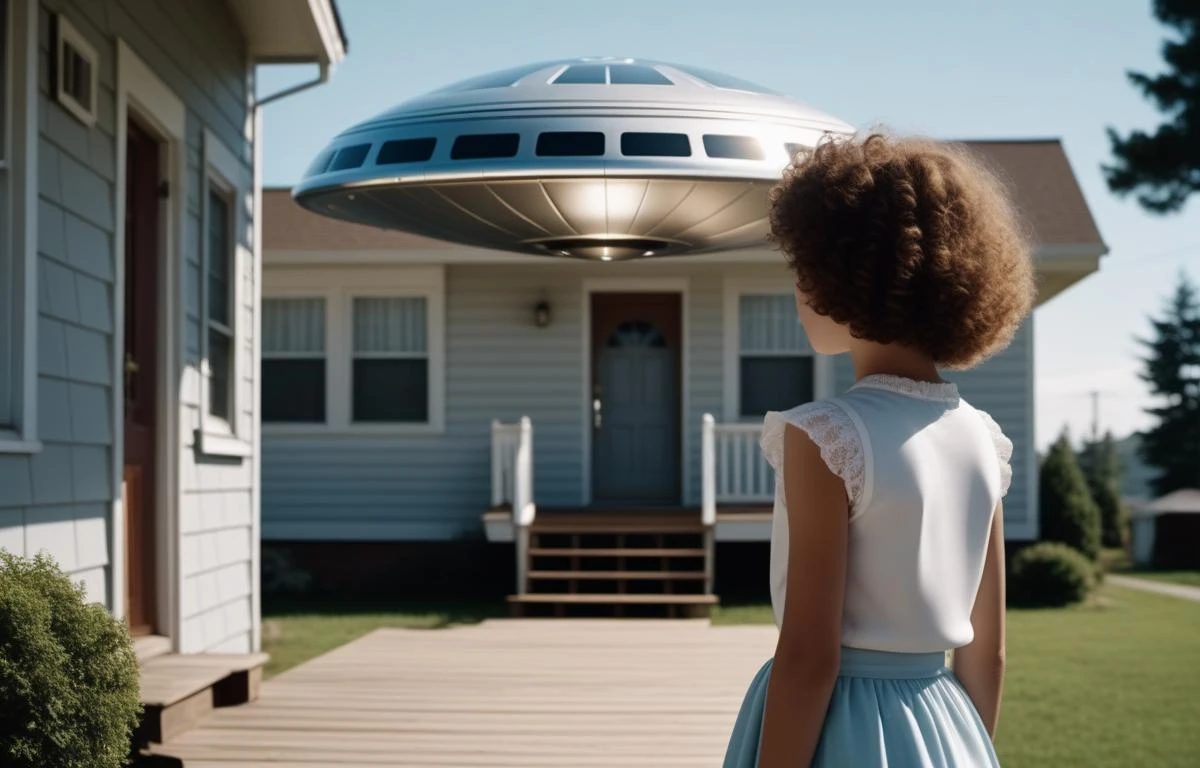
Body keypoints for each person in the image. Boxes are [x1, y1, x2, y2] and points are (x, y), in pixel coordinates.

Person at [722, 132, 1035, 767]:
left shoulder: (825, 436)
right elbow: (987, 652)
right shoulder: (984, 439)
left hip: (845, 727)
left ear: (845, 277)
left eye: (802, 269)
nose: (798, 291)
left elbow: (810, 657)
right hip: (946, 724)